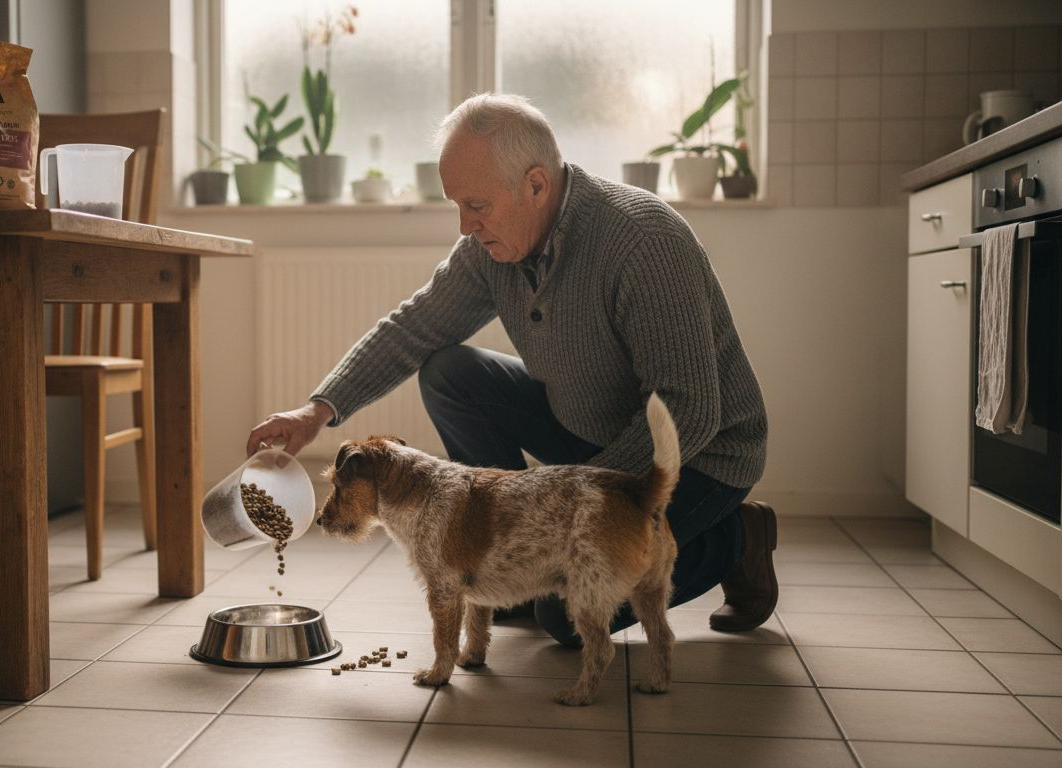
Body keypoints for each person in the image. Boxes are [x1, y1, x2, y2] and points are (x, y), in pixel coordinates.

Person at [246, 92, 775, 643]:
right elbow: (415, 327)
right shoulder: (490, 245)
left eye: (475, 205)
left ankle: (738, 538)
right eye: (456, 204)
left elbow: (689, 410)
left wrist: (563, 506)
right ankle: (497, 545)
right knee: (450, 372)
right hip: (588, 431)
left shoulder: (643, 241)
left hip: (698, 456)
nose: (463, 225)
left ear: (537, 185)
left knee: (563, 618)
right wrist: (316, 410)